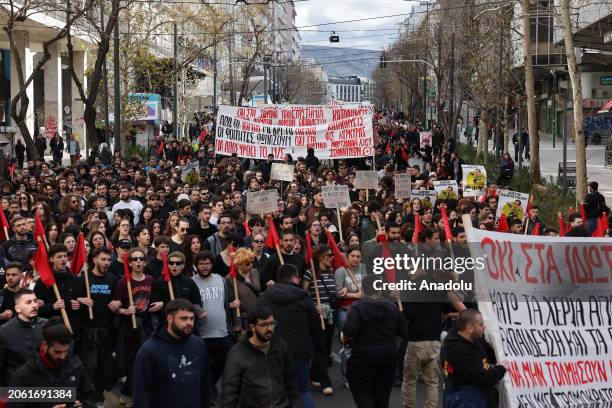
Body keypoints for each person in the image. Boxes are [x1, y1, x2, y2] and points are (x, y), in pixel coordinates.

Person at [257, 264, 321, 408]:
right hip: (300, 351)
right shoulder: (303, 297)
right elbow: (315, 324)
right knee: (302, 391)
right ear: (294, 278)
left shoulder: (265, 298)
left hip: (273, 351)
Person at [342, 274, 406, 408]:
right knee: (382, 396)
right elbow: (403, 330)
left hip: (363, 357)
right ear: (380, 289)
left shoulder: (357, 307)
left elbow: (349, 330)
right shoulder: (392, 307)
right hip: (387, 356)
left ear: (363, 289)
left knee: (363, 395)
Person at [218, 304, 300, 408]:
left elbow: (292, 384)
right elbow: (229, 393)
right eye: (264, 325)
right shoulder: (237, 353)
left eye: (272, 323)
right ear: (252, 327)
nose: (269, 328)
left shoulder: (280, 347)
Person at [133, 299, 210, 408]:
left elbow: (205, 383)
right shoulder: (148, 351)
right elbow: (141, 393)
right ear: (170, 318)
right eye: (184, 318)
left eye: (192, 318)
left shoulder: (199, 344)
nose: (189, 323)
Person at [10, 317, 96, 408]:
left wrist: (84, 405)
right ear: (44, 345)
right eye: (57, 352)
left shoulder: (75, 365)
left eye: (66, 351)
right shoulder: (24, 375)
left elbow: (91, 396)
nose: (62, 356)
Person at [192, 251, 239, 405]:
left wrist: (232, 306)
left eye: (207, 263)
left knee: (222, 363)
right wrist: (198, 311)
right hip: (202, 335)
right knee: (204, 367)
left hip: (223, 333)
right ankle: (209, 393)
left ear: (212, 264)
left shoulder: (221, 280)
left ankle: (208, 387)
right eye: (201, 263)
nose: (204, 266)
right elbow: (189, 303)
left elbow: (226, 302)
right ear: (196, 265)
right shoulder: (191, 282)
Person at [78, 247, 119, 405]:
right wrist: (81, 300)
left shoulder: (113, 280)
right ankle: (87, 397)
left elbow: (119, 297)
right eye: (103, 259)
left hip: (107, 331)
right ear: (94, 260)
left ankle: (99, 397)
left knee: (104, 367)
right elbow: (74, 298)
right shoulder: (84, 279)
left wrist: (118, 302)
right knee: (90, 366)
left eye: (109, 260)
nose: (107, 262)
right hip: (88, 331)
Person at [443, 309, 508, 407]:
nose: (484, 327)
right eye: (481, 324)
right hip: (468, 402)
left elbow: (487, 352)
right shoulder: (459, 350)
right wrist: (501, 369)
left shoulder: (471, 338)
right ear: (469, 328)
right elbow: (484, 378)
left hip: (477, 399)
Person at [0, 289, 46, 386]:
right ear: (17, 308)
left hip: (44, 389)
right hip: (17, 391)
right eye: (28, 302)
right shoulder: (4, 331)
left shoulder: (47, 326)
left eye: (35, 301)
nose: (34, 305)